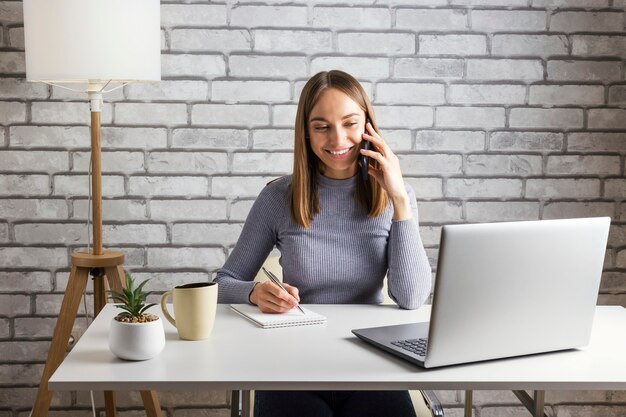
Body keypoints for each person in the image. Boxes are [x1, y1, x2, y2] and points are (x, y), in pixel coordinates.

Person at [214, 70, 432, 417]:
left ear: (368, 126)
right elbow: (220, 285)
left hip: (371, 366)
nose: (338, 138)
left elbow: (413, 298)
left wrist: (399, 199)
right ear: (306, 132)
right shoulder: (278, 197)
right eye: (322, 126)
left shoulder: (396, 198)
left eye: (350, 123)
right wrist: (254, 293)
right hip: (292, 366)